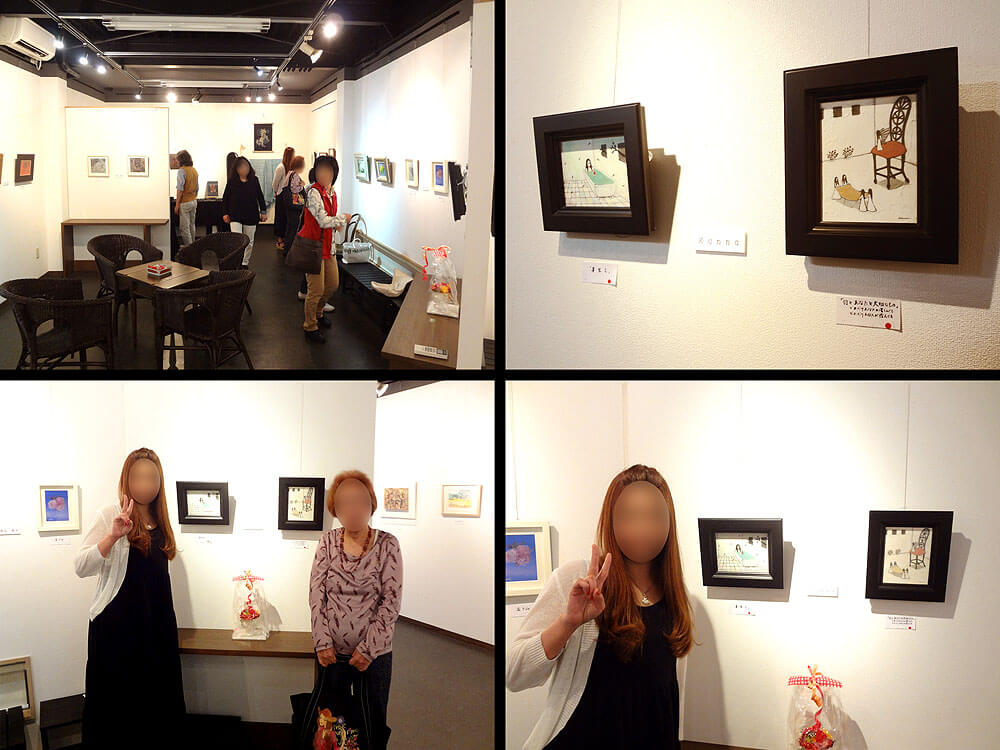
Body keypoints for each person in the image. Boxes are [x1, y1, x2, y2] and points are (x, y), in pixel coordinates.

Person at [506, 464, 695, 749]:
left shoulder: (677, 594)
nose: (643, 528)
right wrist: (568, 622)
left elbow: (667, 693)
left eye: (655, 516)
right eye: (630, 516)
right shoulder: (577, 579)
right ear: (611, 521)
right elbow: (514, 674)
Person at [74, 448, 185, 750]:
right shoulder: (110, 514)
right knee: (118, 707)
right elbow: (80, 566)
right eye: (138, 477)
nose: (145, 484)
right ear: (126, 479)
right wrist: (112, 536)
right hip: (117, 628)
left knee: (155, 704)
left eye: (152, 477)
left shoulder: (160, 518)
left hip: (156, 625)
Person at [309, 470, 401, 750]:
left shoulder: (388, 544)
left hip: (374, 655)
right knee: (330, 722)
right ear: (335, 510)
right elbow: (316, 594)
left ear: (371, 504)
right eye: (345, 503)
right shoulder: (327, 542)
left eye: (360, 501)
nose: (353, 509)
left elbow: (391, 601)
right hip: (331, 653)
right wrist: (322, 642)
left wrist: (368, 649)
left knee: (371, 720)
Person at [298, 155, 348, 342]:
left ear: (334, 173)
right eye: (320, 170)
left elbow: (330, 220)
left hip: (329, 247)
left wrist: (337, 223)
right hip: (313, 247)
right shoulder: (313, 192)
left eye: (328, 170)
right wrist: (342, 219)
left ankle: (319, 312)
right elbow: (322, 220)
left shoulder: (332, 192)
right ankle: (310, 326)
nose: (324, 174)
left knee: (332, 284)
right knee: (315, 290)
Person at [222, 156, 268, 268]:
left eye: (246, 167)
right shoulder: (232, 182)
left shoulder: (254, 180)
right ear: (236, 169)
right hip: (235, 215)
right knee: (237, 240)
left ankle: (244, 262)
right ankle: (237, 260)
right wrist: (225, 213)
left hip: (251, 215)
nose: (244, 169)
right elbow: (225, 198)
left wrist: (263, 212)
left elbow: (260, 197)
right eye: (241, 167)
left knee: (249, 241)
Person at [280, 155, 307, 255]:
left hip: (289, 205)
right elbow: (295, 189)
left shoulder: (289, 173)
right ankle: (290, 251)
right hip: (294, 205)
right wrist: (302, 185)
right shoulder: (295, 175)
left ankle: (287, 250)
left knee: (290, 228)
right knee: (293, 229)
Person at [174, 150, 198, 246]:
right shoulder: (194, 170)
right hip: (193, 200)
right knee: (192, 225)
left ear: (181, 160)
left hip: (185, 202)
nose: (176, 161)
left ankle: (189, 249)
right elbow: (197, 188)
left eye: (177, 160)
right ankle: (193, 246)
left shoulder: (182, 171)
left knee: (184, 228)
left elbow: (180, 189)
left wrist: (177, 205)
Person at [273, 146, 295, 250]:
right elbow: (275, 183)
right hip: (281, 195)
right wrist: (276, 191)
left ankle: (286, 240)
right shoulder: (281, 167)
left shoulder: (291, 167)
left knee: (287, 218)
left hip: (289, 195)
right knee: (280, 218)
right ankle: (280, 241)